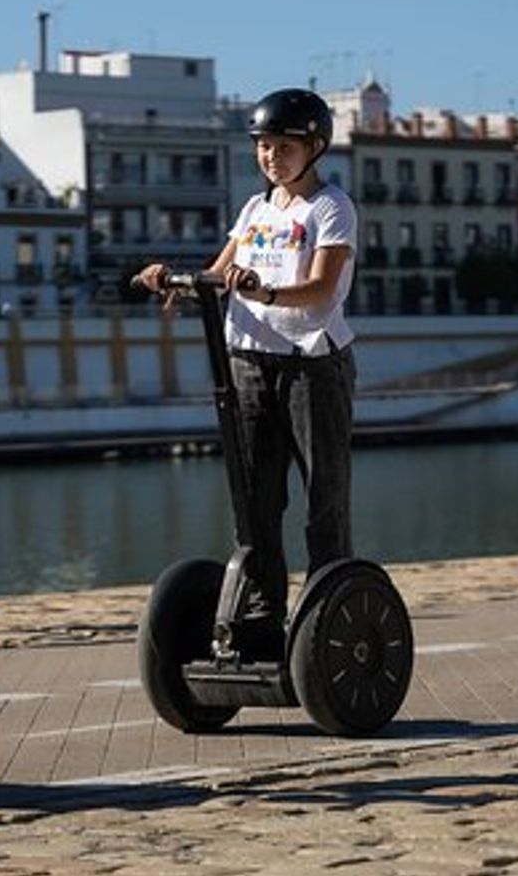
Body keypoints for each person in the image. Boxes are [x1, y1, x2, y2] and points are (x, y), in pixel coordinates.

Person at [132, 87, 357, 660]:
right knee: (254, 500)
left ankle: (327, 617)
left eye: (284, 147)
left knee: (324, 501)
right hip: (249, 362)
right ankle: (261, 619)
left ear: (314, 147)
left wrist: (265, 290)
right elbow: (218, 276)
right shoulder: (256, 210)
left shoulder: (330, 208)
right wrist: (170, 280)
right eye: (263, 146)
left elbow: (322, 289)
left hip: (312, 365)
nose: (271, 157)